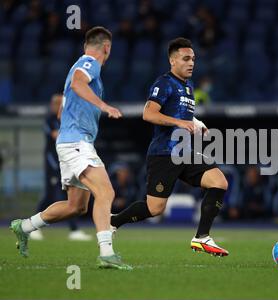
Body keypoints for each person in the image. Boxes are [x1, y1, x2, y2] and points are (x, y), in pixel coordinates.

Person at [10, 26, 132, 270]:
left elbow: (63, 104)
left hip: (70, 141)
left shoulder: (78, 63)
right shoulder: (89, 63)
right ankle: (107, 254)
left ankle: (24, 227)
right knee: (106, 192)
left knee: (76, 206)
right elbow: (78, 83)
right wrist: (104, 106)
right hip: (77, 142)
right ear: (106, 47)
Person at [110, 37, 229, 257]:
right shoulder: (163, 83)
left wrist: (197, 124)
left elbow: (183, 116)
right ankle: (112, 221)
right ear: (172, 61)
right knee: (155, 209)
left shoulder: (189, 86)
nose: (191, 62)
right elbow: (148, 114)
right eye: (186, 58)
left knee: (219, 182)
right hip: (164, 153)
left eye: (193, 58)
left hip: (184, 151)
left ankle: (201, 238)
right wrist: (179, 123)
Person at [30, 93, 92, 241]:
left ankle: (73, 230)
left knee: (70, 198)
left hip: (66, 162)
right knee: (50, 196)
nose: (57, 106)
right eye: (55, 103)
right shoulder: (50, 119)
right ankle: (32, 226)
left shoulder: (67, 119)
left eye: (60, 103)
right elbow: (56, 135)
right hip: (53, 163)